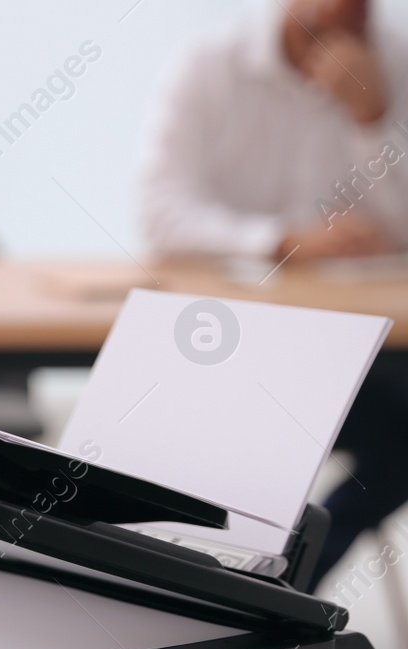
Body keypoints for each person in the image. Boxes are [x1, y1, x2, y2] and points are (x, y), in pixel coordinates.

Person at [140, 0, 408, 586]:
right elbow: (161, 215)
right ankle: (259, 585)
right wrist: (282, 239)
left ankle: (279, 584)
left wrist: (371, 120)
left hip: (364, 349)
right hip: (232, 342)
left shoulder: (395, 62)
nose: (361, 8)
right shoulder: (210, 66)